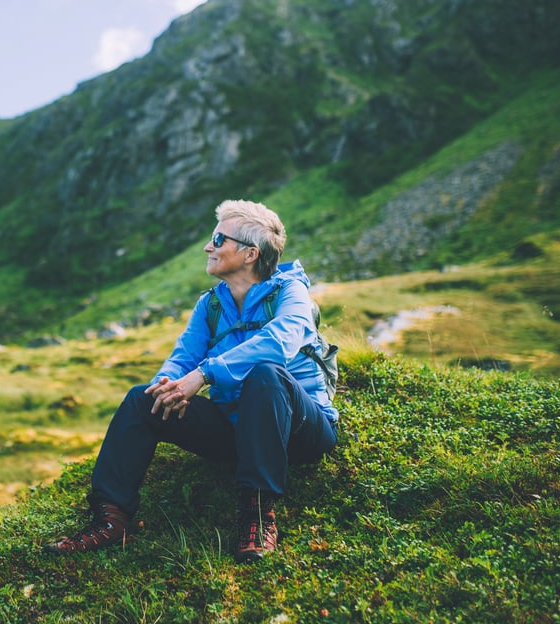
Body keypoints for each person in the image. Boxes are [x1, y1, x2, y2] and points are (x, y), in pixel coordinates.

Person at [44, 199, 339, 563]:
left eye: (218, 238)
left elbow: (280, 343)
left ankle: (258, 514)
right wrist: (167, 386)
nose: (208, 246)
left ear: (250, 254)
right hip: (236, 432)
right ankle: (110, 518)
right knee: (142, 399)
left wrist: (204, 375)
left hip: (301, 432)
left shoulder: (290, 292)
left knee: (265, 374)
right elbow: (184, 356)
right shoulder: (210, 305)